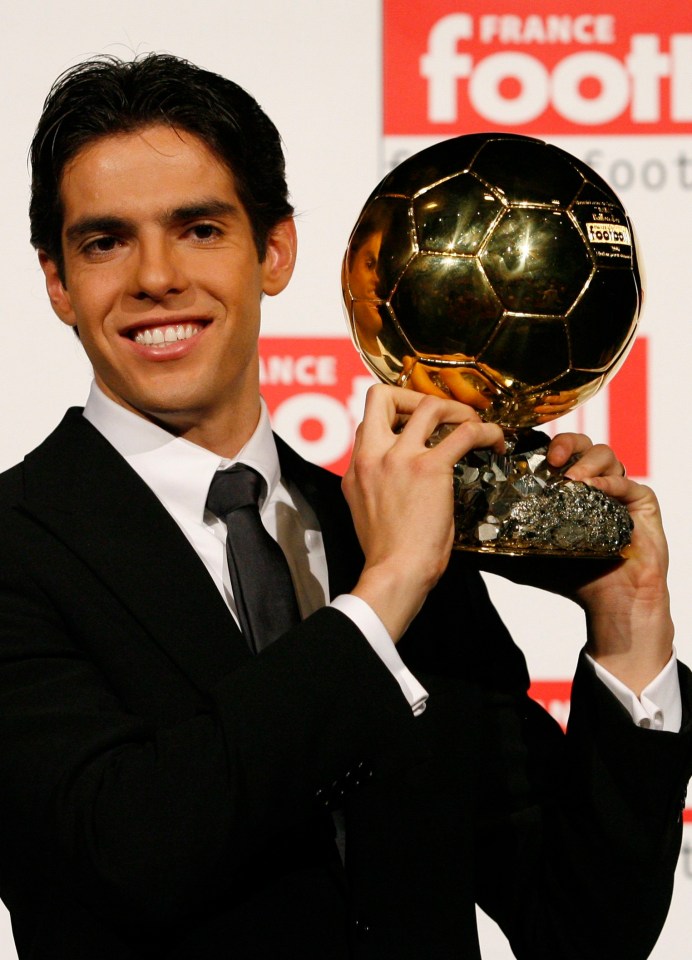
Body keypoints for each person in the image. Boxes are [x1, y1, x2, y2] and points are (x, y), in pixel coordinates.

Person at [0, 52, 689, 960]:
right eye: (104, 242)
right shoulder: (18, 547)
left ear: (275, 250)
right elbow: (132, 850)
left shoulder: (392, 526)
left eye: (199, 229)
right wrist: (387, 592)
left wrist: (629, 631)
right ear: (56, 282)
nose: (155, 277)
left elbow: (584, 926)